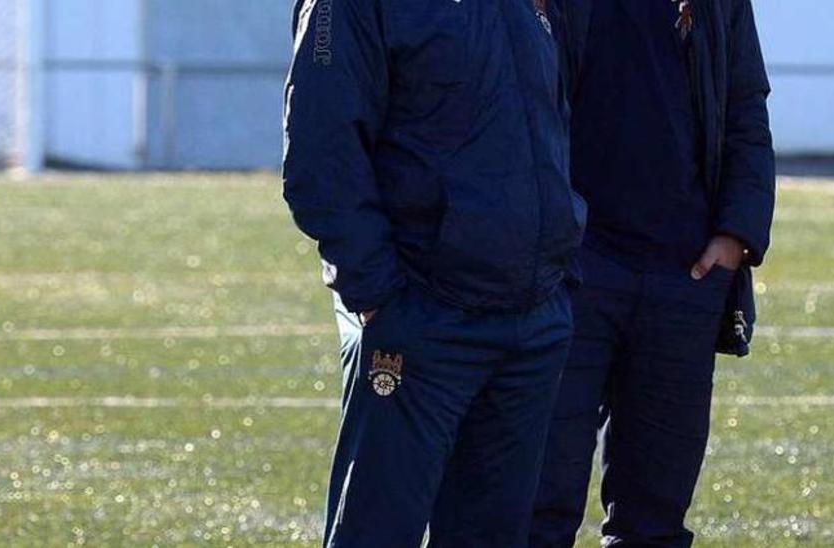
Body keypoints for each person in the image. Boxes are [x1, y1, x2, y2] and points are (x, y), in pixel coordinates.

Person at [282, 0, 585, 545]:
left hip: (531, 322)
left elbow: (557, 120)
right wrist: (379, 296)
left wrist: (561, 268)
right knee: (376, 535)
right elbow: (319, 150)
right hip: (419, 317)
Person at [530, 0, 776, 546]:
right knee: (538, 505)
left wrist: (737, 234)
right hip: (571, 275)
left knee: (655, 520)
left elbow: (745, 106)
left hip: (684, 279)